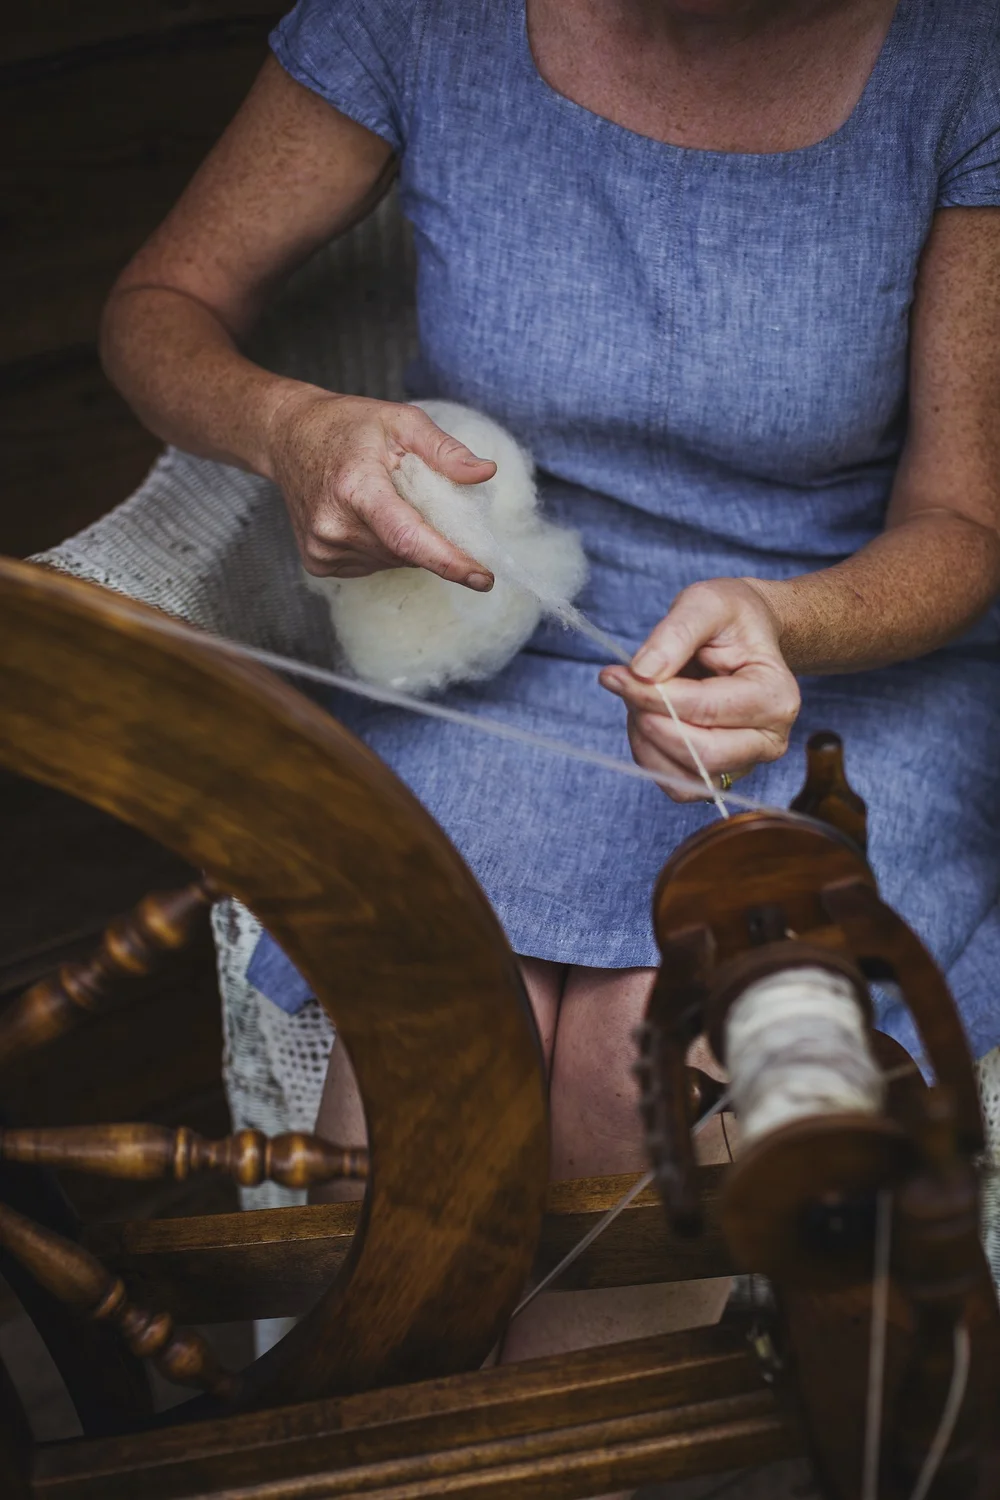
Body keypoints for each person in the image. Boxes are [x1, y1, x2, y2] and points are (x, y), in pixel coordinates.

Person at [101, 0, 1000, 1454]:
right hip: (512, 629)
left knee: (643, 1050)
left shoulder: (964, 57)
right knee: (439, 1027)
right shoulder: (420, 17)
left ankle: (534, 1462)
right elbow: (159, 309)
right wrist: (291, 428)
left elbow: (963, 522)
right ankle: (395, 1444)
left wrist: (789, 625)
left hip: (839, 654)